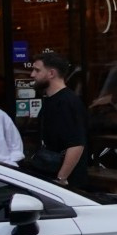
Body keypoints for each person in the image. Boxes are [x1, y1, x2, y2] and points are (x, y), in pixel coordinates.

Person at [27, 51, 88, 184]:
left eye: (37, 70)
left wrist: (61, 178)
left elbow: (76, 145)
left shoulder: (67, 102)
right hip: (49, 173)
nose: (32, 74)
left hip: (66, 183)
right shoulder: (50, 100)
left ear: (51, 73)